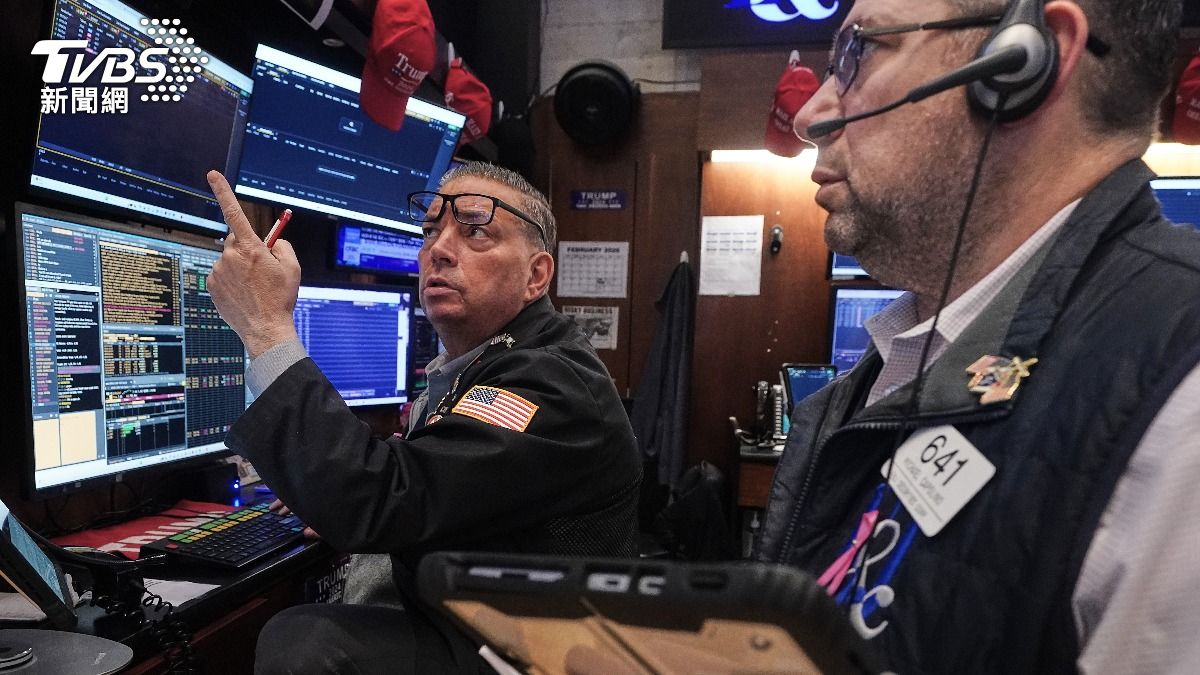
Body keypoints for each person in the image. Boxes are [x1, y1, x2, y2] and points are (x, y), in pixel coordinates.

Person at [757, 0, 1200, 673]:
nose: (812, 114)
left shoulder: (1178, 387)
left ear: (1025, 62)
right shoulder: (896, 361)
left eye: (858, 52)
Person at [204, 161, 642, 674]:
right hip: (495, 629)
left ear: (535, 276)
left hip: (535, 658)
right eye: (431, 230)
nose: (439, 249)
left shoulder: (551, 381)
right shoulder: (490, 361)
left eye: (476, 232)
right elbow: (438, 473)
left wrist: (265, 327)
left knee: (305, 640)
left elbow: (381, 500)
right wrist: (326, 488)